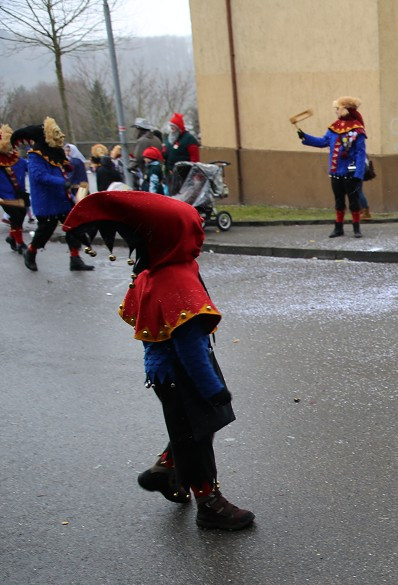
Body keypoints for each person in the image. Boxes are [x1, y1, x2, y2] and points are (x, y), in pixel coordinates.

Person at [63, 191, 255, 530]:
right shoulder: (176, 279)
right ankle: (209, 504)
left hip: (162, 374)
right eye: (194, 229)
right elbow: (190, 347)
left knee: (190, 428)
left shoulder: (150, 270)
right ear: (175, 235)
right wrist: (213, 390)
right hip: (184, 373)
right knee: (197, 438)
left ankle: (166, 469)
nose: (200, 233)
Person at [11, 118, 93, 272]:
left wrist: (69, 174)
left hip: (62, 198)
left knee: (73, 226)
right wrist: (62, 182)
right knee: (45, 230)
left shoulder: (56, 152)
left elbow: (63, 169)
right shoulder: (35, 155)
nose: (60, 136)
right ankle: (31, 252)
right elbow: (39, 176)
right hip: (46, 200)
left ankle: (75, 259)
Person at [296, 96, 369, 238]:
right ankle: (338, 228)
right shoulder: (334, 128)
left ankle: (356, 228)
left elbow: (361, 154)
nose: (336, 112)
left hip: (351, 172)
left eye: (337, 109)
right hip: (336, 171)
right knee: (339, 201)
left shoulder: (357, 130)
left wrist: (358, 175)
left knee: (353, 201)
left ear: (345, 110)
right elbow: (323, 142)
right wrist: (305, 136)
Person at [0, 123, 29, 254]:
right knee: (16, 216)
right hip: (4, 195)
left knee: (21, 214)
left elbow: (28, 166)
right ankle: (20, 242)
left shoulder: (17, 159)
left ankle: (12, 237)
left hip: (19, 193)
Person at [164, 112, 200, 180]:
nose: (171, 130)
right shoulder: (172, 139)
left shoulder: (189, 140)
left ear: (178, 128)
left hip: (183, 175)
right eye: (171, 127)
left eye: (173, 127)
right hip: (171, 175)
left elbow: (195, 159)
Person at [131, 117, 163, 182]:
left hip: (147, 171)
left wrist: (131, 165)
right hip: (158, 169)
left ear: (140, 129)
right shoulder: (156, 139)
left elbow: (138, 157)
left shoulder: (142, 140)